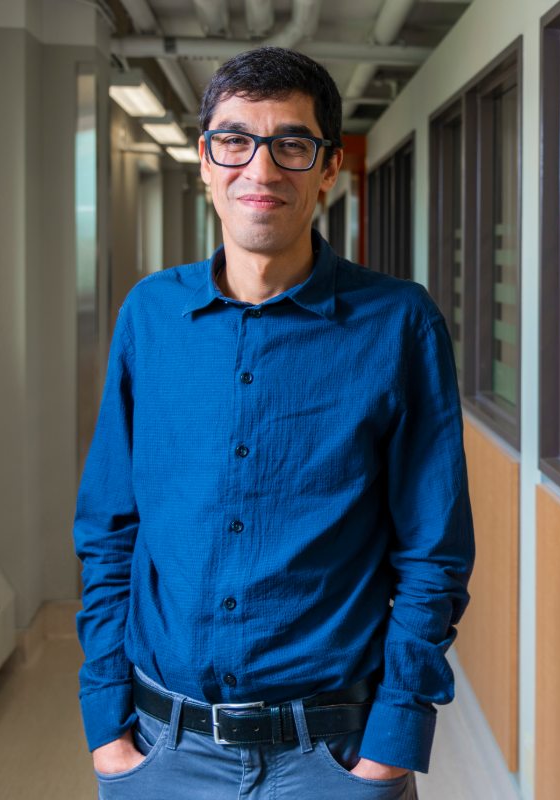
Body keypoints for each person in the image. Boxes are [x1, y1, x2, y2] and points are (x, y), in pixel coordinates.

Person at [74, 46, 474, 799]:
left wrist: (391, 743)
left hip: (331, 756)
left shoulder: (398, 324)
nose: (260, 170)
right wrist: (106, 725)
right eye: (235, 140)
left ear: (328, 168)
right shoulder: (150, 317)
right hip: (160, 752)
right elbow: (109, 527)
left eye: (291, 144)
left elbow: (435, 550)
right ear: (204, 160)